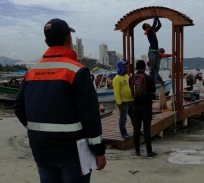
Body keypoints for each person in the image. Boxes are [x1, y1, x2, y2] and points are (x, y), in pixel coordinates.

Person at [14, 18, 106, 183]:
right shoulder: (76, 71)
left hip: (41, 149)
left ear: (46, 41)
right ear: (69, 39)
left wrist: (36, 129)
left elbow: (19, 107)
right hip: (72, 152)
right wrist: (99, 151)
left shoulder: (32, 72)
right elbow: (90, 115)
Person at [129, 60, 158, 158]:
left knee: (136, 128)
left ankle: (137, 151)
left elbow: (131, 89)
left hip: (135, 106)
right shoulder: (148, 78)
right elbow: (153, 90)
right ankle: (149, 152)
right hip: (146, 106)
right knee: (146, 129)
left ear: (136, 67)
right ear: (144, 67)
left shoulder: (131, 78)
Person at [113, 60, 134, 139]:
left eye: (127, 68)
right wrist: (119, 102)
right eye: (125, 68)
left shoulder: (127, 76)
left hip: (130, 101)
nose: (127, 69)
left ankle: (137, 130)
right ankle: (123, 133)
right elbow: (116, 91)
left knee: (134, 117)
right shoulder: (117, 78)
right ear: (120, 68)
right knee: (123, 118)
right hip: (123, 102)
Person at [142, 10, 162, 83]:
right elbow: (155, 23)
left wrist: (157, 18)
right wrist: (154, 15)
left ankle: (155, 80)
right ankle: (151, 81)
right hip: (152, 52)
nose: (149, 24)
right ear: (146, 27)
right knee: (152, 68)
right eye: (147, 24)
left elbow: (159, 25)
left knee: (156, 67)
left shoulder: (152, 31)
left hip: (155, 51)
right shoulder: (149, 31)